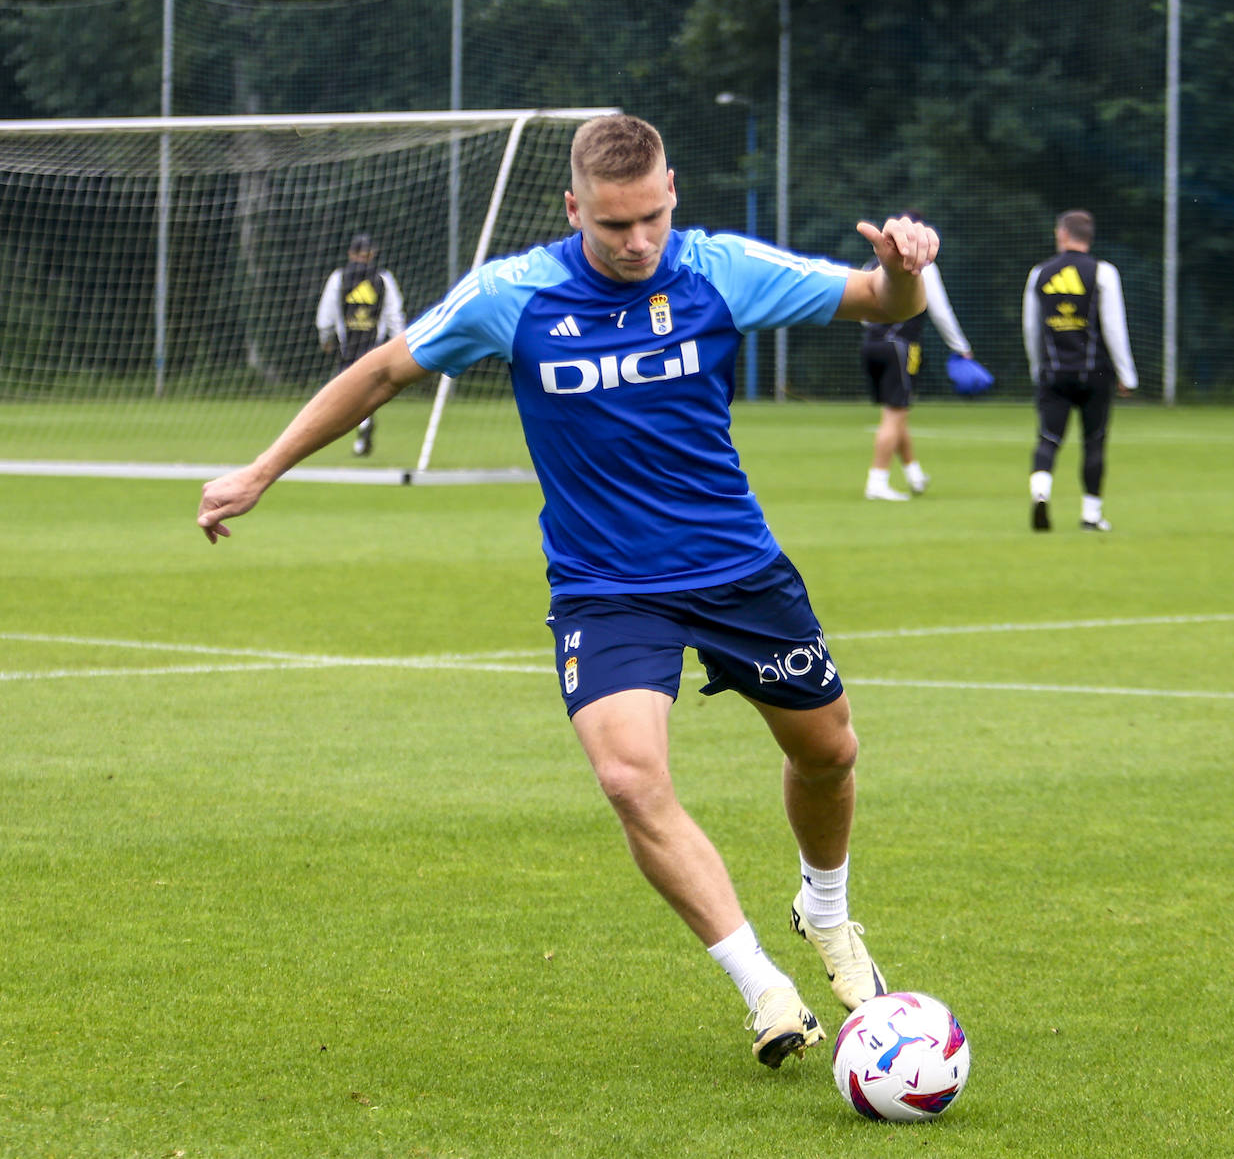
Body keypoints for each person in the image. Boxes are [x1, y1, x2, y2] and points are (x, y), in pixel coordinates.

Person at [198, 115, 938, 1069]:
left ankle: (826, 912)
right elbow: (384, 369)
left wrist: (908, 263)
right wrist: (263, 470)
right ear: (572, 208)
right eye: (612, 224)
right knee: (630, 776)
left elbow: (880, 301)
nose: (636, 243)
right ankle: (766, 986)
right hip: (604, 584)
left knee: (830, 751)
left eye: (650, 220)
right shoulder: (514, 294)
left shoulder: (718, 269)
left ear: (674, 189)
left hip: (735, 567)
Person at [1022, 209, 1138, 531]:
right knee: (1094, 441)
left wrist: (1037, 368)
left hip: (1053, 373)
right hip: (1095, 373)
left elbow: (1031, 328)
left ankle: (1041, 492)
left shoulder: (1039, 273)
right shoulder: (1103, 272)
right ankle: (1091, 515)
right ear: (1089, 237)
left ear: (1062, 234)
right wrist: (1127, 375)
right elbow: (1114, 328)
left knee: (1047, 438)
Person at [860, 213, 974, 500]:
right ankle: (877, 481)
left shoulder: (873, 262)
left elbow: (861, 311)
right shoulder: (921, 264)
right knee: (895, 414)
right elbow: (939, 309)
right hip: (900, 347)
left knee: (896, 413)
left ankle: (914, 474)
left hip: (870, 344)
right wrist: (959, 346)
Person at [314, 232, 406, 456]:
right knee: (365, 394)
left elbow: (326, 315)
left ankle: (358, 431)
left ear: (350, 253)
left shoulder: (339, 277)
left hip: (347, 349)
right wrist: (400, 344)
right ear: (372, 254)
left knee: (344, 395)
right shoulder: (384, 278)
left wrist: (325, 337)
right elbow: (395, 315)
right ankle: (363, 429)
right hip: (375, 349)